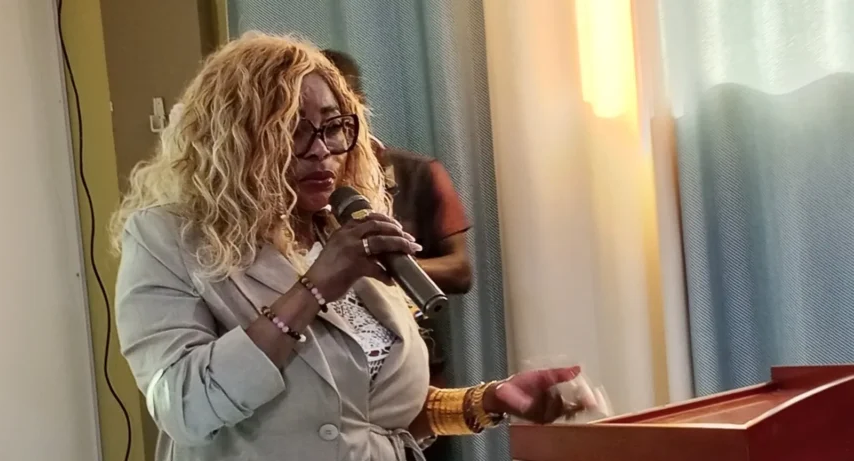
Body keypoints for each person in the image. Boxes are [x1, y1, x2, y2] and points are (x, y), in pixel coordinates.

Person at [112, 32, 581, 461]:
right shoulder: (168, 238)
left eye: (332, 126)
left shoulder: (342, 231)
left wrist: (489, 401)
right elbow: (186, 407)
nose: (322, 149)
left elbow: (369, 415)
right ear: (235, 139)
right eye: (292, 129)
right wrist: (313, 288)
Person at [321, 48, 475, 461]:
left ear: (359, 105)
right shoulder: (296, 197)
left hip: (417, 370)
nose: (321, 141)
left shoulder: (418, 172)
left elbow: (461, 270)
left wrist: (376, 268)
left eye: (334, 117)